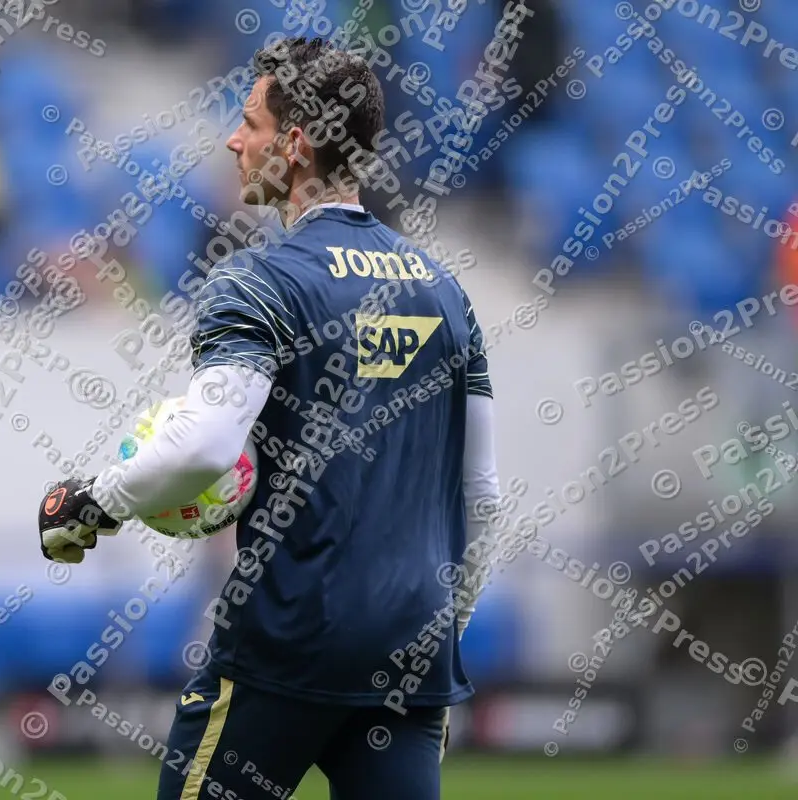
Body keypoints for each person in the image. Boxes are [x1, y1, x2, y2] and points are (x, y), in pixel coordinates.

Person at [36, 37, 501, 800]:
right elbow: (481, 497)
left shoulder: (259, 283)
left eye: (249, 121)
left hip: (288, 650)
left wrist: (93, 502)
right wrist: (437, 624)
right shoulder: (448, 294)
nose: (232, 139)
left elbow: (209, 443)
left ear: (294, 143)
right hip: (411, 656)